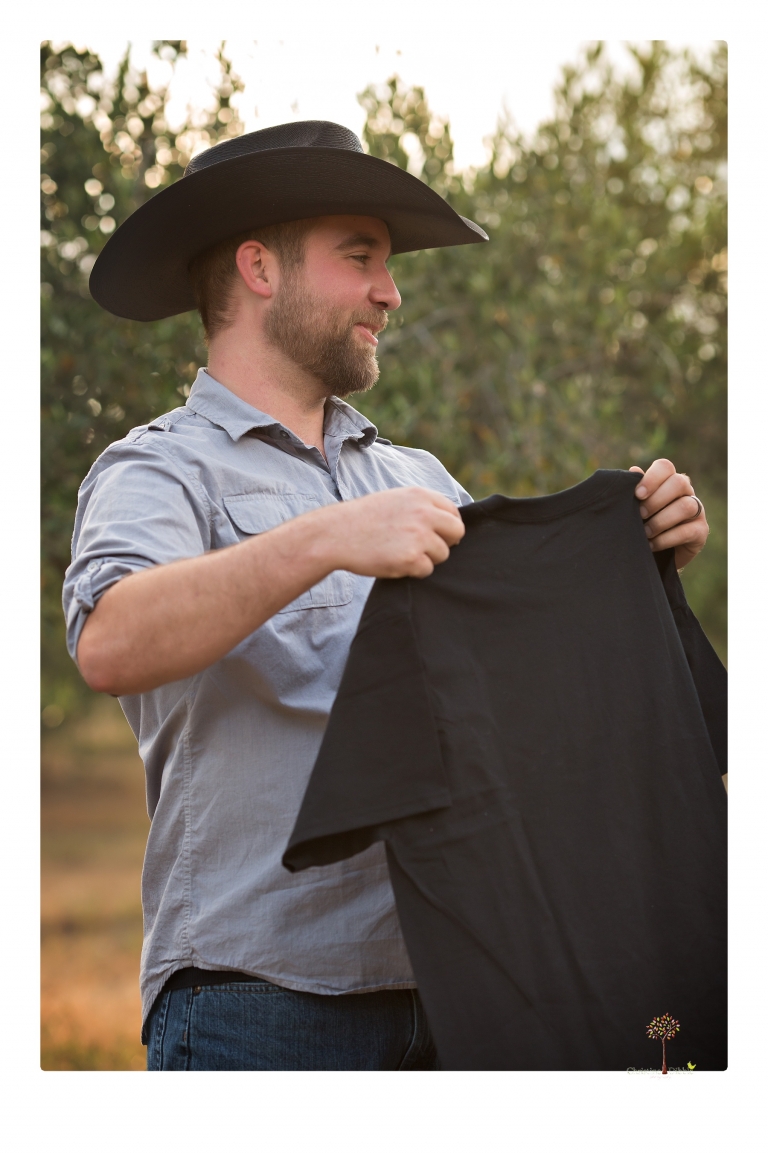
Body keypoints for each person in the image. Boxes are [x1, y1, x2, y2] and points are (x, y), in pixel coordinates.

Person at [63, 121, 710, 1072]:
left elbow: (510, 697)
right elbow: (110, 641)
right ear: (259, 267)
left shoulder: (418, 477)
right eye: (360, 256)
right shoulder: (157, 471)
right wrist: (325, 540)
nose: (390, 292)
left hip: (468, 996)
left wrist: (637, 553)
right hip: (260, 1008)